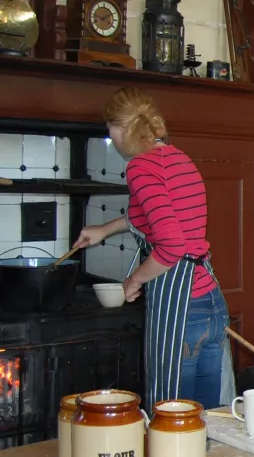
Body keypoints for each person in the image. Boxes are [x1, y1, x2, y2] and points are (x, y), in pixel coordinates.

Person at [74, 87, 232, 410]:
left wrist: (135, 279)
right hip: (211, 304)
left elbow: (172, 245)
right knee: (208, 420)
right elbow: (152, 217)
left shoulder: (140, 168)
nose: (110, 135)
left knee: (172, 416)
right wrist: (103, 230)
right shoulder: (178, 158)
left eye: (110, 128)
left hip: (182, 312)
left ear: (121, 129)